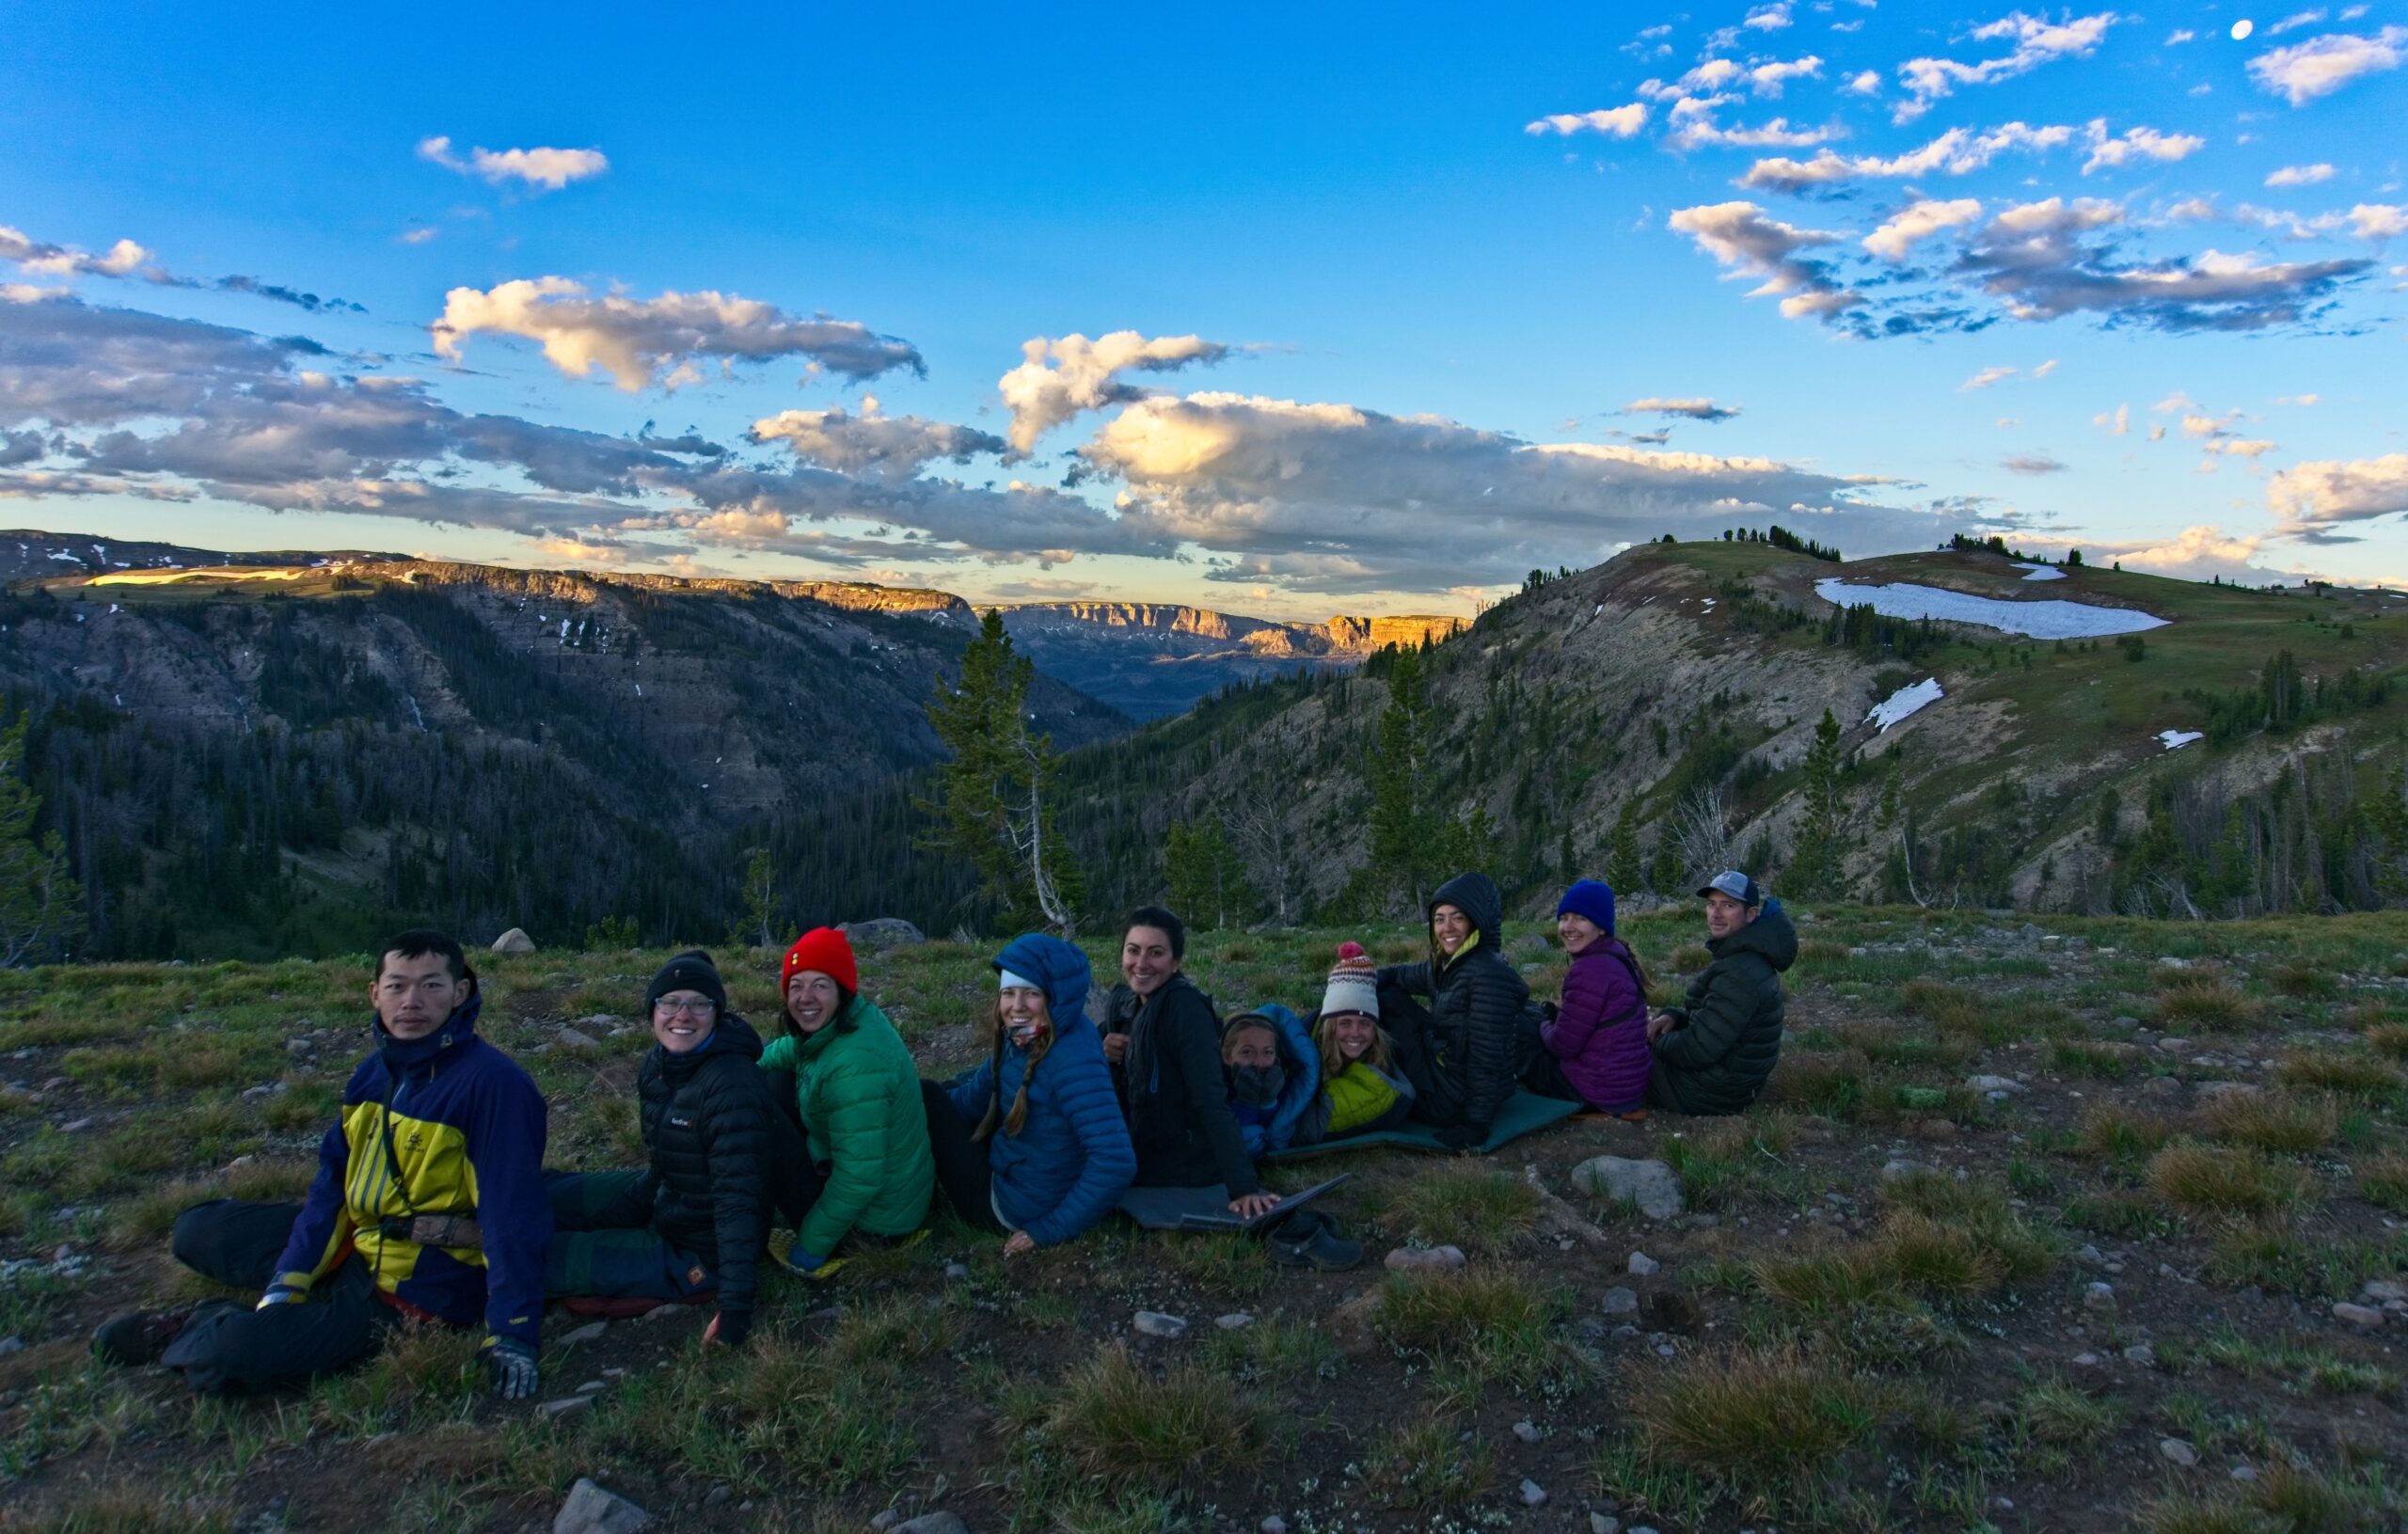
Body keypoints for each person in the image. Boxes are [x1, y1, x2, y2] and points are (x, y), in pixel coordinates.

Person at [92, 930, 549, 1399]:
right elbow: (331, 1188)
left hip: (419, 1282)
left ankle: (203, 1326)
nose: (411, 1001)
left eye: (431, 986)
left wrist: (511, 1332)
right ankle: (292, 1305)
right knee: (197, 1230)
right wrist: (287, 1282)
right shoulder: (376, 1073)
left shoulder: (494, 1086)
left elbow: (510, 1215)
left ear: (460, 992)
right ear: (375, 994)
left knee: (225, 1355)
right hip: (360, 1238)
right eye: (396, 986)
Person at [542, 950, 784, 1347]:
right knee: (546, 1194)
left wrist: (737, 1306)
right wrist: (612, 1216)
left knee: (540, 1255)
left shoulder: (732, 1087)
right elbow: (662, 1169)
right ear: (653, 1012)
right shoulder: (658, 1067)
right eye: (670, 1002)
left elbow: (737, 1201)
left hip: (699, 1254)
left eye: (699, 1004)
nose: (682, 1015)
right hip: (670, 1202)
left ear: (717, 1014)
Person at [922, 934, 1134, 1254]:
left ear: (1052, 997)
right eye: (1008, 993)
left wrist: (1047, 1230)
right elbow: (972, 1099)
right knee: (941, 1094)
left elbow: (1116, 1161)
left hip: (1012, 1208)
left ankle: (894, 1212)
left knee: (925, 1095)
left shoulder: (1071, 1060)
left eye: (1031, 993)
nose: (1016, 1006)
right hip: (1022, 1177)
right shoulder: (1028, 1035)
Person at [757, 927, 935, 1277]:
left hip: (875, 1223)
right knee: (772, 1080)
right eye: (796, 986)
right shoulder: (850, 1023)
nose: (806, 997)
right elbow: (797, 1049)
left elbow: (859, 1178)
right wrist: (749, 1067)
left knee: (760, 1119)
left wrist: (810, 1247)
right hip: (887, 1194)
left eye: (820, 985)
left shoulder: (855, 1066)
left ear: (841, 990)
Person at [1101, 906, 1272, 1219]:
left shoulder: (1184, 1009)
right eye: (1133, 951)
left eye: (1155, 953)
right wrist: (1105, 1052)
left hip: (1181, 1161)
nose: (1141, 964)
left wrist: (1243, 1187)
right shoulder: (1130, 1005)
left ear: (1175, 961)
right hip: (1145, 1142)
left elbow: (1210, 1099)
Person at [1376, 872, 1536, 1149]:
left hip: (1450, 1101)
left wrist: (1476, 1124)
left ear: (1477, 922)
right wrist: (1362, 977)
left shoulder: (1486, 974)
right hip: (1448, 1071)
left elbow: (1487, 1056)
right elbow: (1401, 975)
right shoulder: (1451, 964)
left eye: (1458, 918)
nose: (1446, 928)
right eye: (1439, 919)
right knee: (1387, 992)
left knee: (1387, 1005)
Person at [1217, 1008, 1363, 1268]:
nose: (1260, 1062)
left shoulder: (1281, 1078)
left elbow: (1278, 1139)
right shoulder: (1215, 1087)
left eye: (1267, 1052)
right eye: (1247, 1052)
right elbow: (1241, 1148)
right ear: (1228, 1057)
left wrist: (1269, 1102)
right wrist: (1248, 1105)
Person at [1645, 872, 1797, 1115]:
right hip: (1726, 1083)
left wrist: (1654, 1042)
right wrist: (1674, 1017)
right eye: (1711, 904)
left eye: (1728, 905)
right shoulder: (1741, 957)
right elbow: (1714, 1020)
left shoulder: (1741, 972)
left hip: (1709, 1092)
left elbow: (1699, 1049)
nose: (1715, 914)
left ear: (1751, 914)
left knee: (1616, 1055)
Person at [1525, 880, 1653, 1119]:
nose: (1568, 927)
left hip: (1596, 1092)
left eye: (1580, 919)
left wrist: (1541, 1025)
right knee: (1538, 1016)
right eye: (1564, 918)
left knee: (1521, 1027)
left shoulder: (1590, 969)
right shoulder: (1617, 955)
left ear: (1601, 927)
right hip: (1626, 1089)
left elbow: (1562, 1046)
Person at [1305, 941, 1415, 1140]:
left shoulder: (1382, 1054)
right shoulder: (1309, 1045)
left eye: (1365, 1023)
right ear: (1331, 1026)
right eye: (1345, 1023)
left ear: (1375, 1028)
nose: (1355, 1033)